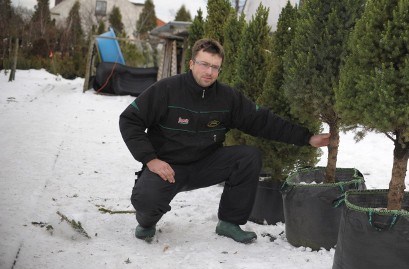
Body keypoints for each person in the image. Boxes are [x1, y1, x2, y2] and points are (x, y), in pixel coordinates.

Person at [119, 38, 330, 244]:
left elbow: (263, 121)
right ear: (191, 63)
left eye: (215, 67)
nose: (209, 72)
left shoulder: (227, 98)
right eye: (204, 64)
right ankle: (147, 222)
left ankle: (229, 223)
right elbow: (129, 120)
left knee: (248, 157)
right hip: (168, 167)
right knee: (146, 200)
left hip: (206, 164)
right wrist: (150, 159)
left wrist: (307, 138)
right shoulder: (166, 90)